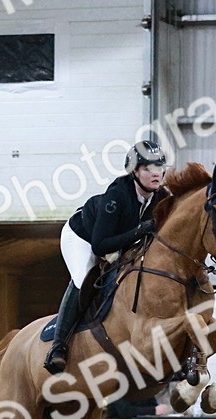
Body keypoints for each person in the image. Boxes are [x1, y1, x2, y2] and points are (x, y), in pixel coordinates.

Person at [45, 140, 171, 374]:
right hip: (82, 237)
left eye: (159, 168)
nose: (156, 174)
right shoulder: (117, 195)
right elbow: (100, 245)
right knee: (84, 278)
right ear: (134, 172)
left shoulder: (162, 196)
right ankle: (58, 346)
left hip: (119, 240)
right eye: (148, 169)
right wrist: (140, 230)